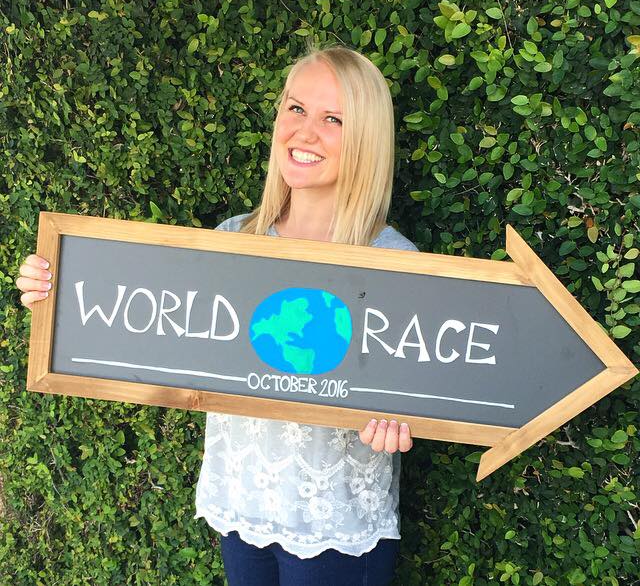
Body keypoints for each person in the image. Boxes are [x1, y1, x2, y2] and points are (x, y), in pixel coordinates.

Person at [17, 45, 418, 585]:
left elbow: (425, 389)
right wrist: (60, 296)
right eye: (296, 108)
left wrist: (401, 416)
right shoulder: (231, 239)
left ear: (367, 137)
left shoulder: (394, 263)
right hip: (241, 506)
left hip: (332, 524)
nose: (305, 131)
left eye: (334, 119)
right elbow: (150, 327)